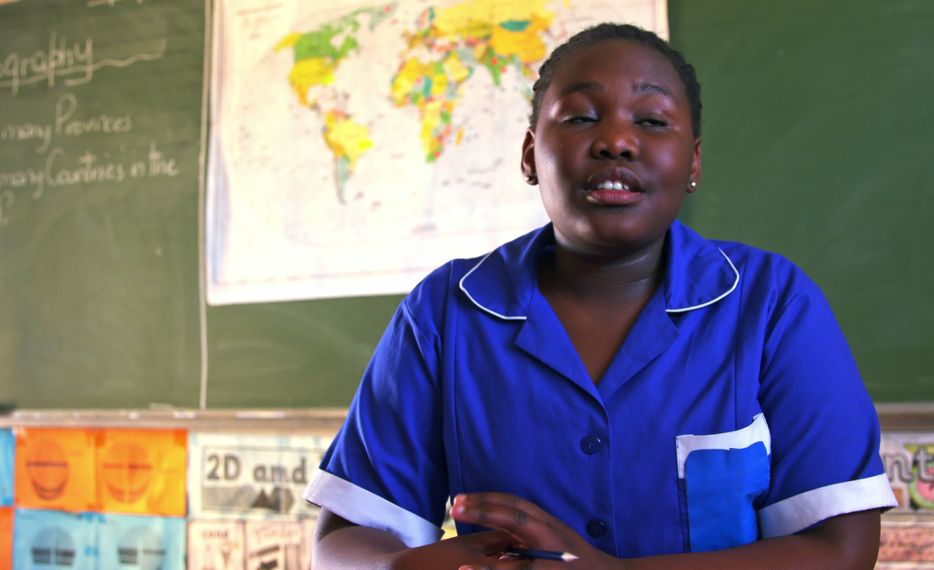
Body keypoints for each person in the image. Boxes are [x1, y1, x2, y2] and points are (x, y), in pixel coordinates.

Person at [305, 23, 897, 570]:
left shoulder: (771, 304)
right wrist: (397, 565)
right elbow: (341, 541)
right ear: (531, 155)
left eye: (653, 121)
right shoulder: (446, 311)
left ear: (693, 161)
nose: (616, 140)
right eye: (583, 117)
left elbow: (840, 550)